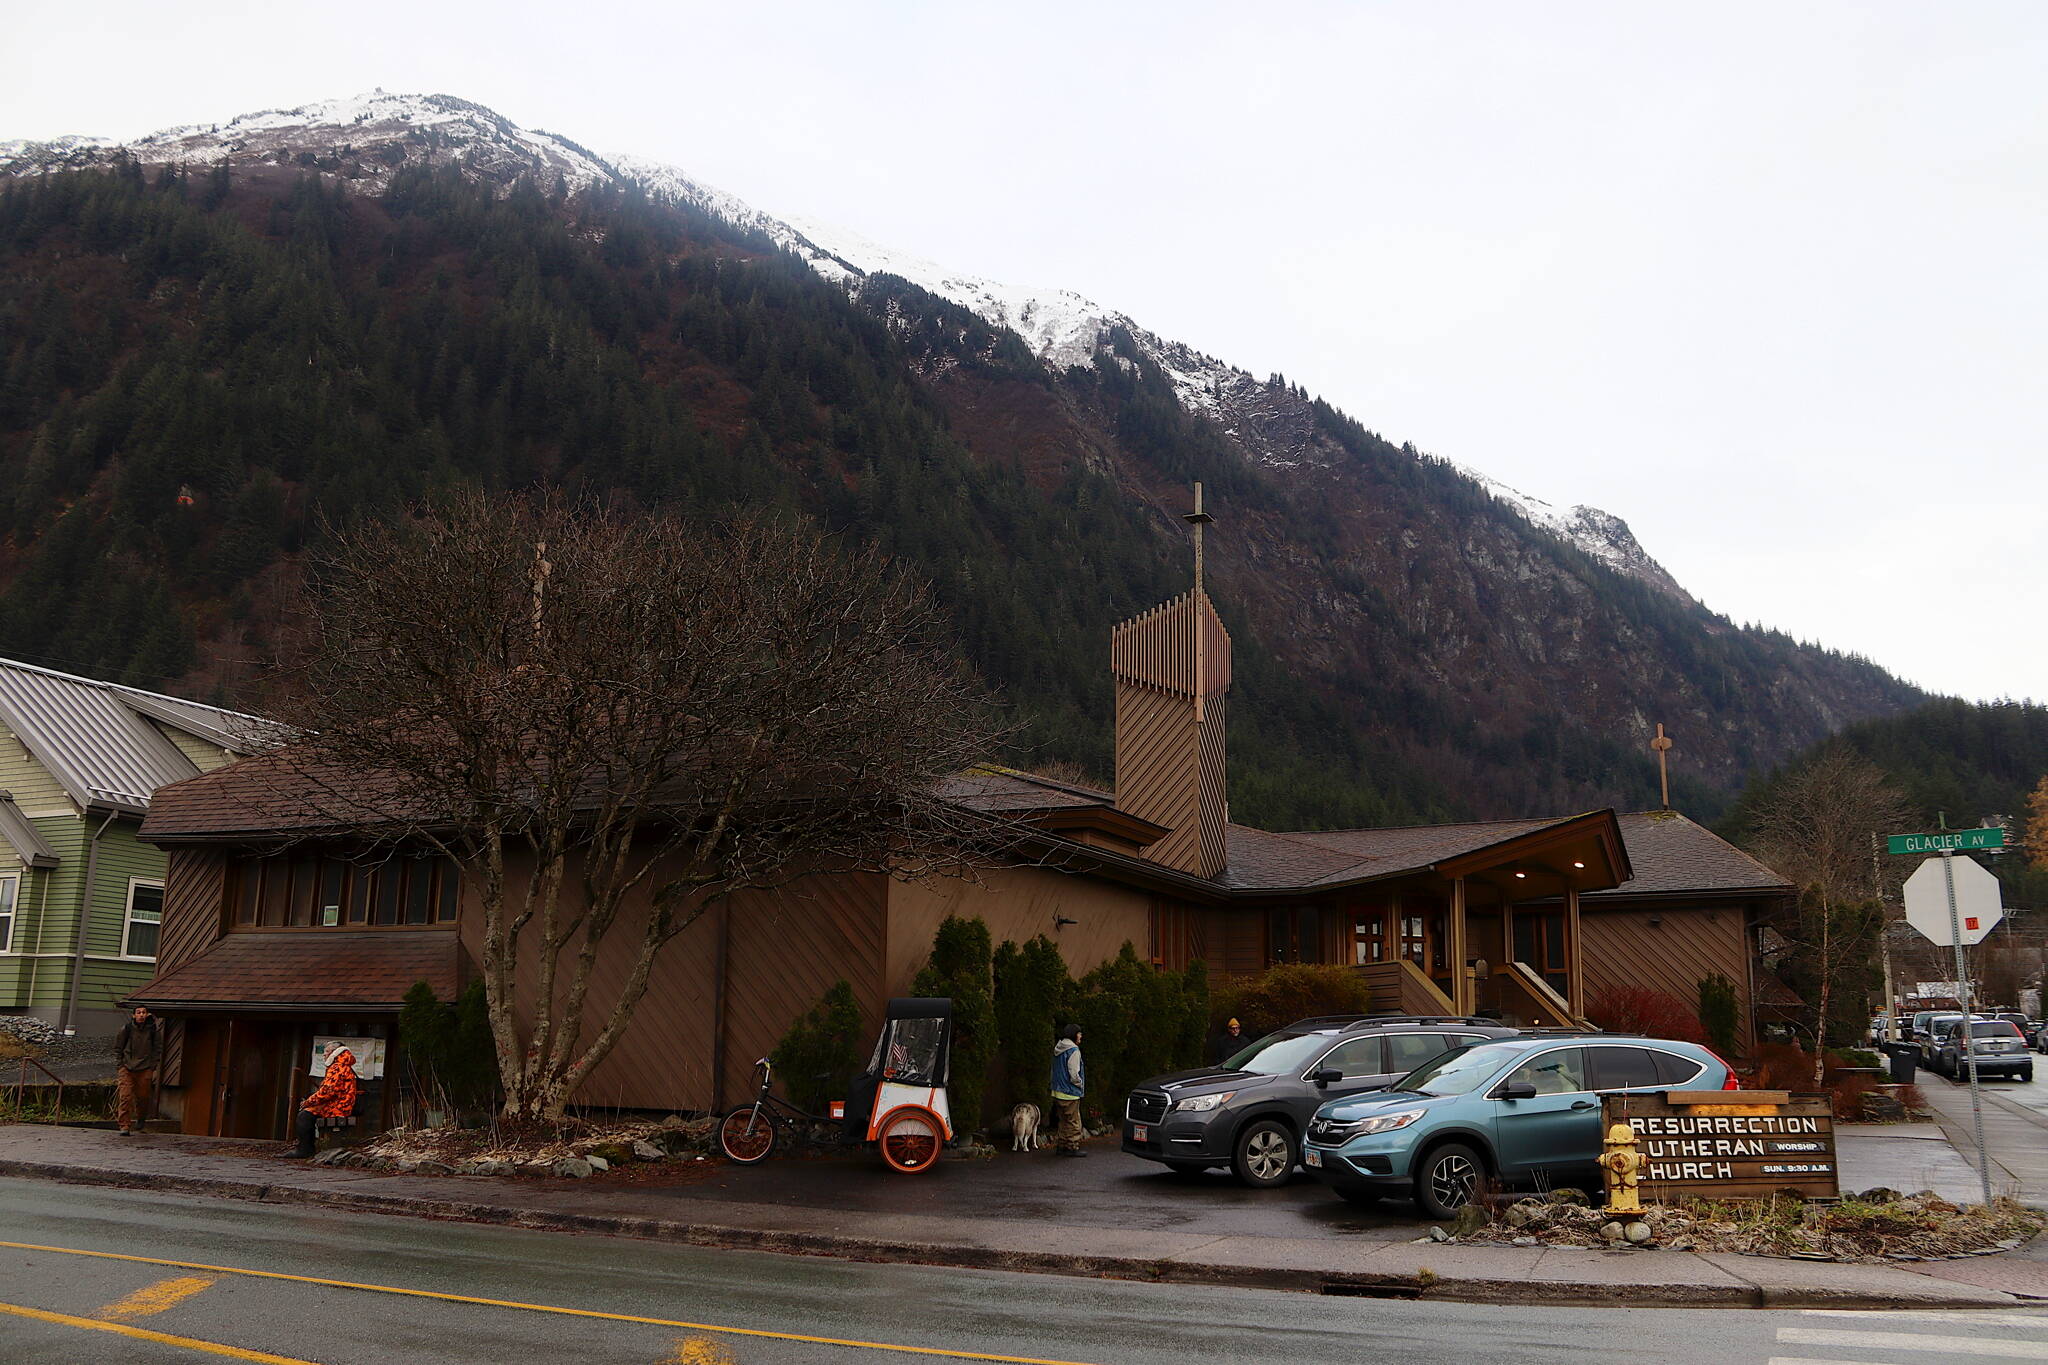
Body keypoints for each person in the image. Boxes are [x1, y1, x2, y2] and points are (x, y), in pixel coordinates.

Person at [293, 1044, 359, 1158]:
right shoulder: (343, 1065)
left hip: (338, 1107)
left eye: (326, 1051)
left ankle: (305, 1149)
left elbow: (326, 1092)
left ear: (334, 1052)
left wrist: (308, 1102)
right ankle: (306, 1148)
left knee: (304, 1116)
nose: (324, 1054)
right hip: (341, 1104)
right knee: (307, 1113)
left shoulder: (337, 1067)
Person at [113, 1005, 161, 1137]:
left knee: (143, 1097)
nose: (141, 1015)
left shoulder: (153, 1031)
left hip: (145, 1068)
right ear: (134, 1015)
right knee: (125, 1096)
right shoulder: (126, 1029)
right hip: (127, 1067)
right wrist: (120, 1065)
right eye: (138, 1013)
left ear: (147, 1015)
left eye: (143, 1012)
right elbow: (118, 1048)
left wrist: (152, 1066)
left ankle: (141, 1118)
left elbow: (157, 1049)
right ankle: (124, 1125)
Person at [1049, 1024, 1086, 1157]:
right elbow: (1074, 1074)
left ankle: (1061, 1145)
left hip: (1057, 1091)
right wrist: (1080, 1084)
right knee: (1073, 1121)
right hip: (1070, 1092)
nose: (1081, 1036)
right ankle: (1071, 1146)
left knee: (1063, 1120)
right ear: (1073, 1035)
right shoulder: (1074, 1050)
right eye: (1079, 1033)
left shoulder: (1058, 1048)